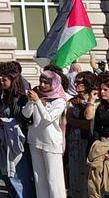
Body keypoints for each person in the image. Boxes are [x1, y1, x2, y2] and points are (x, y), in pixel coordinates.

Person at [0, 63, 35, 198]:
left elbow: (22, 119)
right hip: (4, 138)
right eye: (0, 79)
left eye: (4, 79)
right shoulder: (1, 93)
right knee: (8, 175)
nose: (1, 82)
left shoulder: (21, 96)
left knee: (19, 176)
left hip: (18, 140)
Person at [23, 69, 68, 198]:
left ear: (54, 83)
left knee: (54, 179)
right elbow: (26, 114)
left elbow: (48, 118)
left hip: (51, 141)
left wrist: (38, 102)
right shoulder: (38, 94)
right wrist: (31, 102)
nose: (42, 85)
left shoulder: (60, 100)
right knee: (39, 178)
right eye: (41, 81)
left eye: (46, 83)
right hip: (35, 139)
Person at [67, 71, 97, 198]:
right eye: (76, 81)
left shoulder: (96, 100)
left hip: (91, 139)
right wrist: (85, 123)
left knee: (89, 171)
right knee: (75, 170)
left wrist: (84, 123)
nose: (76, 84)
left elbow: (93, 120)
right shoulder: (72, 100)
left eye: (80, 82)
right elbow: (70, 120)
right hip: (75, 139)